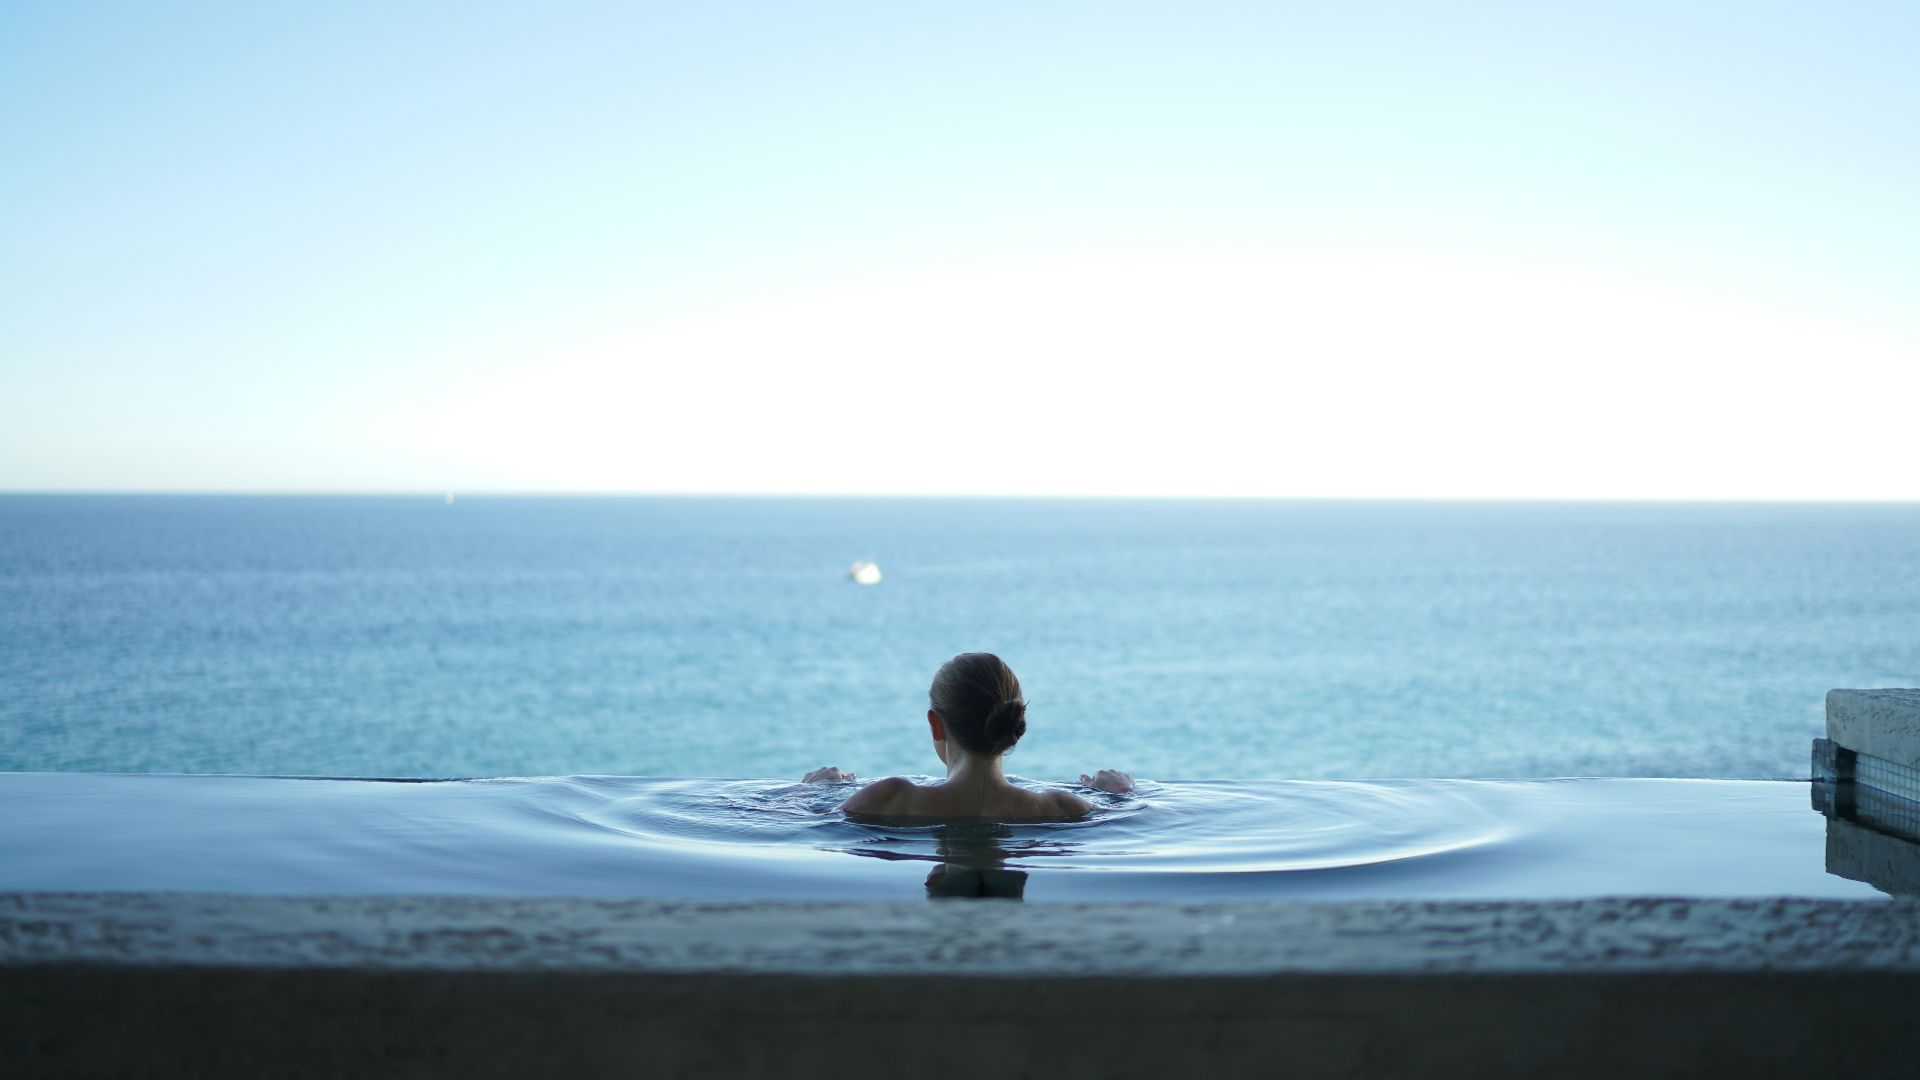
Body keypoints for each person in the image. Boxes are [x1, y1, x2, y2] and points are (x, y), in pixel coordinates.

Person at [803, 652, 1135, 819]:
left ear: (935, 724)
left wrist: (812, 792)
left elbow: (794, 823)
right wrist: (1121, 794)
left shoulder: (890, 799)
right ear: (1014, 724)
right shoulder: (1062, 808)